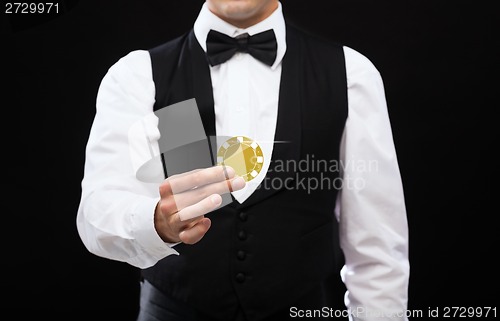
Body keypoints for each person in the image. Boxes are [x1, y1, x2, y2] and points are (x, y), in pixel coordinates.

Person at [76, 0, 410, 320]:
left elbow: (379, 249)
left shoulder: (351, 74)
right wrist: (155, 223)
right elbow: (96, 214)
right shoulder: (138, 75)